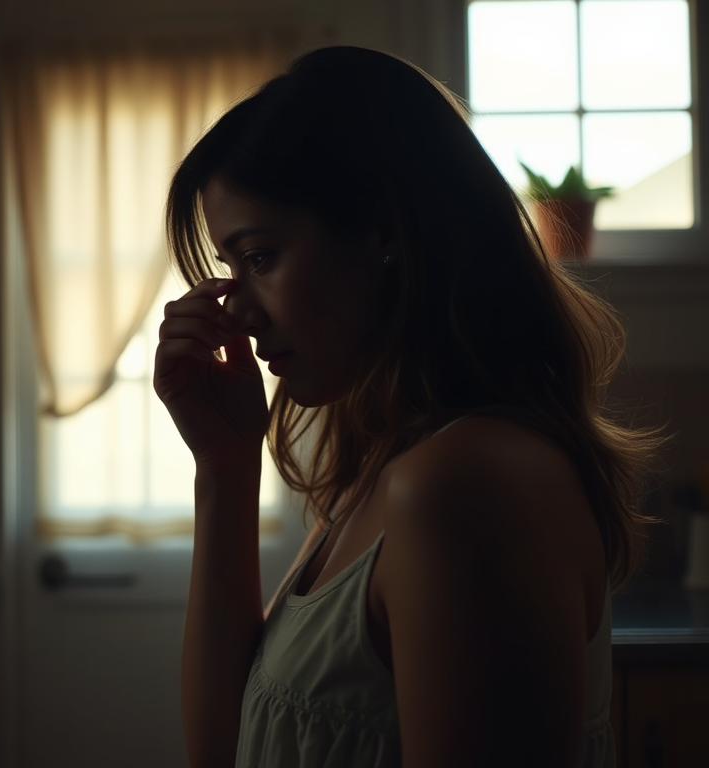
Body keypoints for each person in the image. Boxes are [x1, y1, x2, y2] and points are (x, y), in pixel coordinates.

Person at [153, 46, 666, 768]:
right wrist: (224, 464)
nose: (235, 311)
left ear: (384, 230)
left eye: (260, 258)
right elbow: (222, 749)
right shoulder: (382, 472)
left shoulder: (467, 482)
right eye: (229, 268)